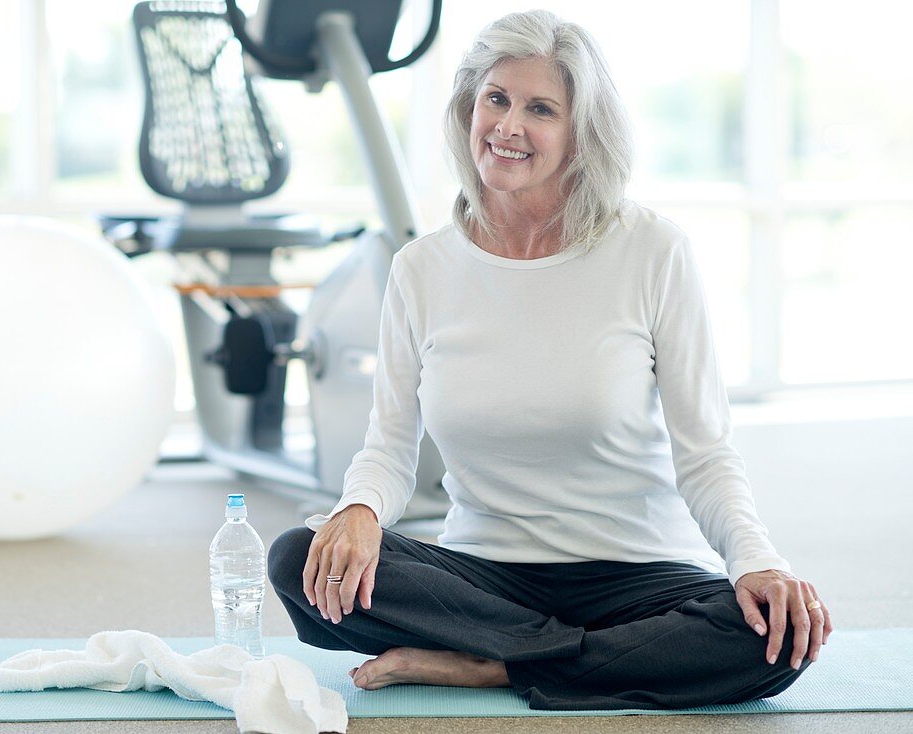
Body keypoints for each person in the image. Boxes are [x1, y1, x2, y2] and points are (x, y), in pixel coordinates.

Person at [267, 9, 833, 710]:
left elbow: (706, 452)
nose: (508, 126)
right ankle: (568, 657)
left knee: (771, 637)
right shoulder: (422, 268)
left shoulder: (653, 252)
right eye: (496, 99)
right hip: (482, 577)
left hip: (635, 573)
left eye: (541, 109)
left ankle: (494, 663)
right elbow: (389, 445)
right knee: (300, 557)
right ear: (468, 108)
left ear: (580, 133)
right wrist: (357, 508)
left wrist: (758, 562)